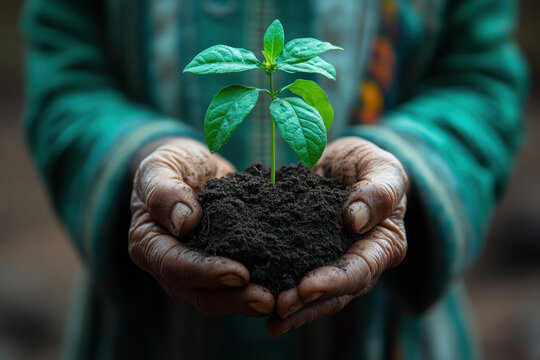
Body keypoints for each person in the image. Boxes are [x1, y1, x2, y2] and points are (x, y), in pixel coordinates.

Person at [21, 0, 528, 359]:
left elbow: (480, 77)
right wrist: (138, 158)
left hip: (389, 336)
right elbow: (66, 73)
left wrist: (406, 167)